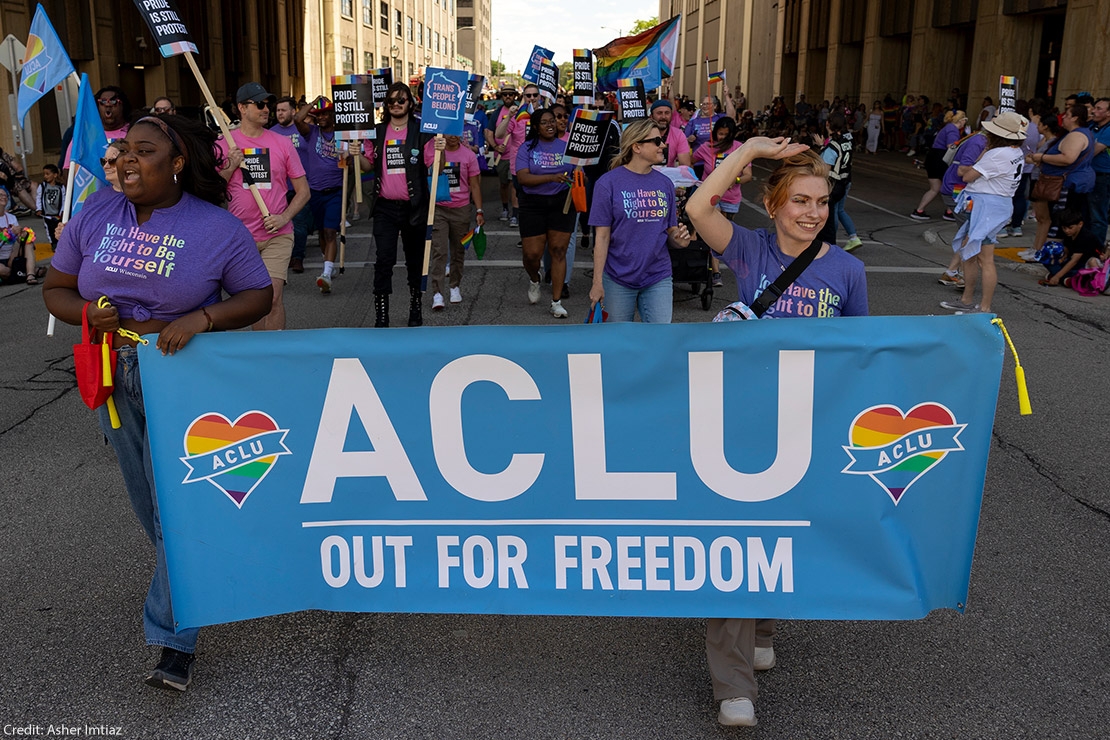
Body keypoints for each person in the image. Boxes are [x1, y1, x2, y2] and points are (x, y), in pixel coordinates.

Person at [42, 114, 272, 692]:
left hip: (182, 374)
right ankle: (194, 570)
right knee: (148, 501)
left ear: (176, 164)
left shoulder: (217, 228)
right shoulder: (95, 214)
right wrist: (87, 314)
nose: (125, 161)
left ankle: (174, 637)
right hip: (111, 372)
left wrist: (204, 317)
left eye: (143, 152)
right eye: (122, 151)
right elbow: (55, 289)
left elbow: (258, 294)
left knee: (175, 503)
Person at [685, 140, 867, 726]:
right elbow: (697, 209)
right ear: (773, 204)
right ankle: (732, 685)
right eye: (799, 201)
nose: (812, 212)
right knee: (734, 541)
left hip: (806, 426)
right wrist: (751, 149)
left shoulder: (847, 270)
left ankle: (761, 623)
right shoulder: (749, 249)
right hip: (739, 422)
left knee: (779, 531)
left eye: (822, 201)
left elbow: (858, 354)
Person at [216, 83, 309, 331]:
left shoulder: (282, 143)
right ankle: (260, 354)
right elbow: (212, 190)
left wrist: (283, 217)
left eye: (267, 104)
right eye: (259, 104)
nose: (266, 109)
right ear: (241, 108)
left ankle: (275, 352)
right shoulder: (225, 143)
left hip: (277, 234)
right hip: (240, 237)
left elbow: (303, 191)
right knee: (255, 302)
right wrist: (231, 166)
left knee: (273, 297)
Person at [588, 118, 691, 323]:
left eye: (662, 140)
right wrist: (597, 282)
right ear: (636, 147)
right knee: (619, 343)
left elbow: (670, 231)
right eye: (656, 141)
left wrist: (680, 238)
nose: (663, 145)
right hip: (617, 277)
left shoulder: (665, 184)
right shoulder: (607, 183)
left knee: (660, 340)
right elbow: (602, 237)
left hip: (658, 275)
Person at [939, 111, 1028, 315]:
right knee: (970, 254)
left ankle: (982, 306)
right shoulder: (1015, 152)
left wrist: (985, 151)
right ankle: (968, 300)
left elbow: (968, 175)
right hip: (994, 206)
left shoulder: (997, 153)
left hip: (987, 208)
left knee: (983, 258)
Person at [361, 82, 432, 327]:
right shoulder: (377, 132)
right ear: (386, 105)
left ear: (410, 103)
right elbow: (368, 166)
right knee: (384, 260)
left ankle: (415, 305)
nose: (396, 104)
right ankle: (382, 313)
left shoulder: (422, 131)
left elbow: (436, 166)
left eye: (401, 100)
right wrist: (354, 154)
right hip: (385, 208)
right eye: (391, 101)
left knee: (415, 261)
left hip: (414, 207)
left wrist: (440, 149)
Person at [516, 107, 575, 318]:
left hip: (562, 202)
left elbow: (579, 175)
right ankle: (534, 279)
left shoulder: (568, 146)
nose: (550, 124)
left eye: (553, 121)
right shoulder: (526, 148)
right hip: (533, 203)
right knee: (532, 255)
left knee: (558, 251)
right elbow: (523, 178)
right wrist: (551, 177)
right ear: (536, 127)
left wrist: (580, 178)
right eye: (545, 122)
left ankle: (556, 302)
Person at [424, 133, 483, 310]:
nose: (452, 137)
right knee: (439, 251)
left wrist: (479, 210)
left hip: (461, 209)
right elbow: (428, 169)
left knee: (458, 251)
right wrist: (438, 150)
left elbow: (474, 185)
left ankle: (455, 286)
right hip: (438, 209)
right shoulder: (432, 150)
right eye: (448, 134)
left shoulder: (468, 156)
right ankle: (437, 293)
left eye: (456, 134)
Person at [294, 96, 344, 294]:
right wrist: (313, 103)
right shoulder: (311, 132)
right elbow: (298, 119)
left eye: (325, 113)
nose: (321, 117)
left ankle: (326, 273)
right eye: (319, 114)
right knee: (323, 232)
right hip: (315, 192)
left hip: (336, 191)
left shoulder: (343, 134)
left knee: (331, 232)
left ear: (333, 115)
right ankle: (328, 262)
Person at [1029, 104, 1096, 243]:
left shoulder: (1077, 135)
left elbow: (1068, 158)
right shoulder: (1076, 134)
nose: (1063, 118)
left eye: (1066, 115)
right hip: (1068, 181)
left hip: (1068, 183)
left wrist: (1041, 157)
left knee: (1061, 219)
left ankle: (1056, 251)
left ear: (1075, 118)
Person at [936, 128, 988, 287]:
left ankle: (951, 272)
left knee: (969, 232)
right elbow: (963, 170)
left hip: (961, 191)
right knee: (972, 234)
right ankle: (964, 277)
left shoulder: (982, 142)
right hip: (958, 190)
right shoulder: (979, 142)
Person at [270, 95, 311, 273]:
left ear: (293, 112)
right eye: (278, 110)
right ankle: (282, 257)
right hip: (278, 189)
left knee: (300, 225)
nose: (280, 113)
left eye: (283, 110)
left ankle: (297, 258)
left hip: (298, 187)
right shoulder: (270, 133)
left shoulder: (302, 130)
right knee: (279, 225)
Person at [496, 84, 542, 228]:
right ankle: (527, 236)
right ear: (523, 97)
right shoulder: (517, 116)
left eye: (535, 95)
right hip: (519, 169)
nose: (532, 98)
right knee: (524, 203)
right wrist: (509, 117)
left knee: (538, 204)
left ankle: (536, 234)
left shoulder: (545, 115)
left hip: (540, 167)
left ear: (539, 97)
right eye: (528, 96)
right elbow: (498, 134)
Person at [911, 110, 966, 220]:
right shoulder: (953, 130)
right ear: (961, 120)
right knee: (953, 185)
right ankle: (950, 212)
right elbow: (951, 146)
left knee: (934, 188)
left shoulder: (947, 127)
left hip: (933, 158)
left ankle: (919, 210)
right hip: (941, 160)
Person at [819, 113, 860, 250]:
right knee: (839, 210)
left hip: (834, 182)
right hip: (845, 180)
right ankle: (853, 237)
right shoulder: (847, 140)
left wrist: (821, 148)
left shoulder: (833, 146)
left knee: (832, 214)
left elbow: (825, 169)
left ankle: (831, 242)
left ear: (828, 124)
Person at [1042, 208, 1103, 285]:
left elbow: (1074, 261)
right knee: (1046, 257)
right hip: (1073, 261)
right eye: (1064, 228)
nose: (1067, 230)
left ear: (1080, 224)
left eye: (1070, 228)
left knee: (1081, 271)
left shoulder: (1085, 236)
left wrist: (1057, 276)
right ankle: (1067, 279)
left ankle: (1062, 277)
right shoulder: (1068, 233)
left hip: (1085, 263)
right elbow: (1066, 249)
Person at [486, 87, 518, 221]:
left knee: (514, 184)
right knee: (504, 184)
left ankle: (515, 214)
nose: (508, 96)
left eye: (511, 94)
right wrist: (495, 146)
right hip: (501, 157)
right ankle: (505, 208)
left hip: (516, 156)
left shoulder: (521, 111)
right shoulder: (497, 113)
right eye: (505, 94)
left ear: (515, 96)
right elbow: (488, 132)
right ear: (501, 97)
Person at [1085, 97, 1110, 244]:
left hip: (1102, 176)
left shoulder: (1108, 130)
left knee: (1097, 216)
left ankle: (1096, 251)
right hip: (1089, 174)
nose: (1094, 111)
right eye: (1094, 108)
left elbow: (1090, 152)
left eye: (1099, 109)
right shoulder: (1092, 126)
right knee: (1086, 214)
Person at [0, 189, 38, 284]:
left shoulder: (11, 218)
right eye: (1, 195)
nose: (4, 197)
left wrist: (22, 235)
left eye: (6, 195)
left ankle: (30, 274)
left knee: (28, 243)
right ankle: (24, 271)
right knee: (4, 271)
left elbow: (18, 241)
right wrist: (9, 233)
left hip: (11, 257)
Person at [651, 100, 692, 167]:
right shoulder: (644, 133)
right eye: (659, 113)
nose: (663, 117)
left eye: (667, 113)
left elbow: (685, 165)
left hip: (669, 175)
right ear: (651, 116)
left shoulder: (678, 134)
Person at [35, 164, 65, 249]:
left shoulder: (60, 187)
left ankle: (61, 243)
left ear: (55, 175)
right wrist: (39, 208)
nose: (45, 176)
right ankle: (53, 243)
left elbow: (64, 199)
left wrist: (63, 210)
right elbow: (38, 197)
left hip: (57, 214)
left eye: (47, 174)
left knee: (59, 228)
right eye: (44, 174)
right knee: (49, 229)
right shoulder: (42, 186)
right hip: (47, 214)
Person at [0, 146, 37, 213]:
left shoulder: (4, 155)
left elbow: (18, 168)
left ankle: (39, 208)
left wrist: (19, 176)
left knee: (33, 184)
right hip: (7, 183)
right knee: (18, 187)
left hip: (15, 178)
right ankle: (35, 208)